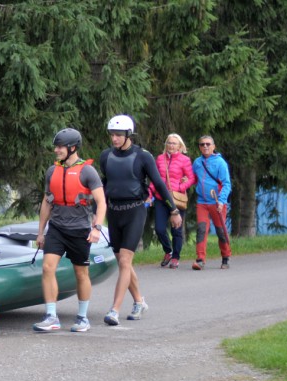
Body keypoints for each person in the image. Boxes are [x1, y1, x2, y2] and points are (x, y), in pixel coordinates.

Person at [98, 115, 182, 326]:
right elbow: (104, 186)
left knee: (125, 261)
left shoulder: (143, 156)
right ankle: (139, 302)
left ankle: (114, 310)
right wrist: (95, 212)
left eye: (118, 135)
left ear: (129, 135)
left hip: (135, 211)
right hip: (114, 212)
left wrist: (173, 210)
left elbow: (159, 184)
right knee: (123, 262)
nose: (114, 139)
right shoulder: (106, 156)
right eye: (112, 135)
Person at [33, 128, 106, 333]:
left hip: (79, 230)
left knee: (81, 273)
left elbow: (101, 202)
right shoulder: (52, 171)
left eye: (60, 147)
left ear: (72, 148)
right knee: (47, 268)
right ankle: (51, 317)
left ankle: (82, 318)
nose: (56, 150)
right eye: (56, 147)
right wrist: (41, 232)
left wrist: (97, 228)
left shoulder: (87, 171)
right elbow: (47, 202)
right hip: (57, 228)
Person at [149, 133, 195, 269]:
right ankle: (168, 251)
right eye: (169, 142)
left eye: (174, 143)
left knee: (176, 230)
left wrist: (180, 187)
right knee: (159, 229)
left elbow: (191, 178)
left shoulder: (185, 160)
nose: (171, 145)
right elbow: (155, 178)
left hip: (176, 198)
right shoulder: (160, 159)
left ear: (180, 146)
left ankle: (175, 257)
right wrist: (150, 193)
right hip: (161, 198)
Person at [191, 135, 232, 270]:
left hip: (217, 202)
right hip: (202, 202)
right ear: (199, 147)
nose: (205, 146)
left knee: (220, 231)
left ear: (214, 146)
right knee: (201, 229)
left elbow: (226, 184)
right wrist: (186, 180)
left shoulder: (220, 163)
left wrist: (221, 201)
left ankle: (225, 257)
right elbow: (194, 178)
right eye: (202, 144)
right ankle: (200, 259)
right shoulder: (197, 162)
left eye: (208, 144)